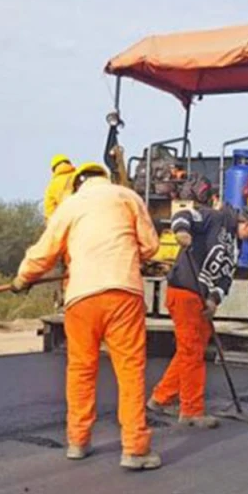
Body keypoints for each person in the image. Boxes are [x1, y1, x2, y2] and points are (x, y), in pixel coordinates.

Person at [13, 162, 162, 471]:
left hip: (81, 296)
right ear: (104, 178)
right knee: (130, 370)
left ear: (78, 183)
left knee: (81, 369)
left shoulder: (70, 206)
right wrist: (136, 254)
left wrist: (22, 278)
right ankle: (135, 449)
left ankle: (78, 441)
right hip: (123, 292)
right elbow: (151, 246)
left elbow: (45, 251)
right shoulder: (127, 197)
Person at [147, 178, 248, 428]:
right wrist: (181, 232)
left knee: (192, 349)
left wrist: (213, 300)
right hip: (185, 290)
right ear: (246, 221)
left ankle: (161, 397)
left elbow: (224, 279)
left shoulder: (235, 245)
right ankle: (191, 410)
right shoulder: (215, 218)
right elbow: (185, 215)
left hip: (201, 300)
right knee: (192, 353)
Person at [43, 155, 76, 220]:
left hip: (65, 222)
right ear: (69, 164)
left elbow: (49, 213)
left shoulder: (51, 187)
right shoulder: (78, 176)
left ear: (54, 169)